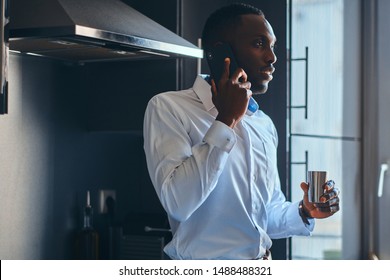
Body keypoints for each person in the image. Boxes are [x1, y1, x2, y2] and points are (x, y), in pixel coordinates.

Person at [143, 3, 340, 260]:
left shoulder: (263, 124)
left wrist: (305, 210)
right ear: (220, 53)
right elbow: (179, 204)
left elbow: (264, 213)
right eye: (259, 44)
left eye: (273, 46)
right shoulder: (168, 108)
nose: (272, 57)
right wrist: (226, 120)